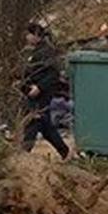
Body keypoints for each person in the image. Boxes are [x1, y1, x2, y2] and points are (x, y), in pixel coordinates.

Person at [21, 23, 70, 159]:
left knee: (34, 119)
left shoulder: (46, 51)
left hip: (41, 93)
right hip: (32, 91)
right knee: (45, 126)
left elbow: (53, 74)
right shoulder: (34, 51)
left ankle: (24, 152)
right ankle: (64, 151)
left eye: (29, 34)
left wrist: (40, 87)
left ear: (36, 34)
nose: (27, 37)